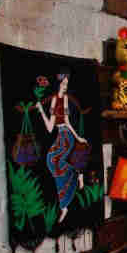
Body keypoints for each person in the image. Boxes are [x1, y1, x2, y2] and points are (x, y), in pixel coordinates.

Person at [36, 69, 87, 224]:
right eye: (64, 84)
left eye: (67, 84)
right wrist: (41, 111)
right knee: (51, 161)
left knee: (55, 160)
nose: (65, 87)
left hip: (67, 136)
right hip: (59, 135)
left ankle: (76, 178)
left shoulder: (64, 99)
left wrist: (77, 137)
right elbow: (50, 127)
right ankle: (75, 176)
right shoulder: (53, 100)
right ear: (58, 84)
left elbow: (67, 121)